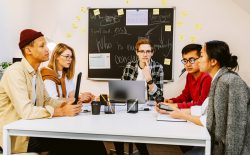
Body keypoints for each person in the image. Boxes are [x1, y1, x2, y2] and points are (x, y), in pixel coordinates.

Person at [0, 29, 107, 155]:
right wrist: (61, 111)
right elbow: (26, 111)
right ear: (28, 50)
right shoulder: (15, 72)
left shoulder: (36, 73)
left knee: (89, 138)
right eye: (42, 46)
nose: (48, 50)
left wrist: (66, 104)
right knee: (83, 141)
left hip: (32, 130)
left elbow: (47, 100)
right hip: (19, 137)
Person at [156, 40, 249, 155]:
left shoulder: (229, 81)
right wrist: (175, 109)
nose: (198, 60)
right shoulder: (219, 80)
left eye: (201, 56)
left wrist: (181, 113)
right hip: (216, 143)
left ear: (213, 61)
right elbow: (206, 110)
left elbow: (236, 129)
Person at [114, 38, 164, 155]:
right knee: (117, 128)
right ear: (137, 52)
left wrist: (149, 79)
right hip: (129, 105)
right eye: (142, 51)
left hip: (147, 108)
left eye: (148, 51)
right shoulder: (130, 66)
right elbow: (121, 90)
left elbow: (159, 97)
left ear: (152, 52)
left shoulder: (158, 67)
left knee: (137, 132)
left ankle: (143, 152)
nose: (145, 54)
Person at [165, 44, 212, 109]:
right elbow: (186, 96)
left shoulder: (207, 77)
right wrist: (172, 101)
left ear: (200, 59)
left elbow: (202, 104)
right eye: (185, 61)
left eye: (192, 60)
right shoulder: (189, 75)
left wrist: (176, 106)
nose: (188, 64)